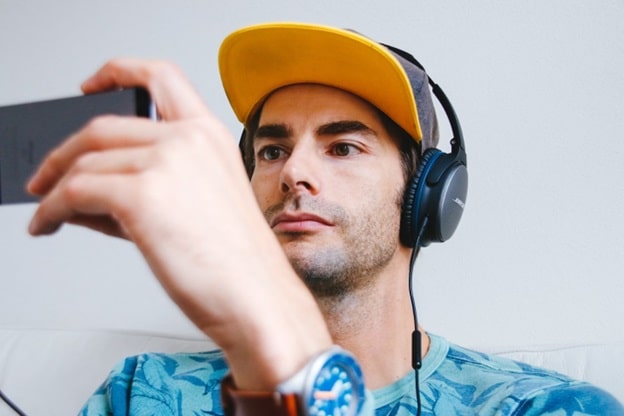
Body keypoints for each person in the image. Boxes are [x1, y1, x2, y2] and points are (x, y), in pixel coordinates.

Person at [26, 22, 623, 416]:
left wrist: (289, 366)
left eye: (342, 147)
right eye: (271, 151)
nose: (293, 173)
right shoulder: (143, 394)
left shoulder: (545, 407)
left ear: (427, 197)